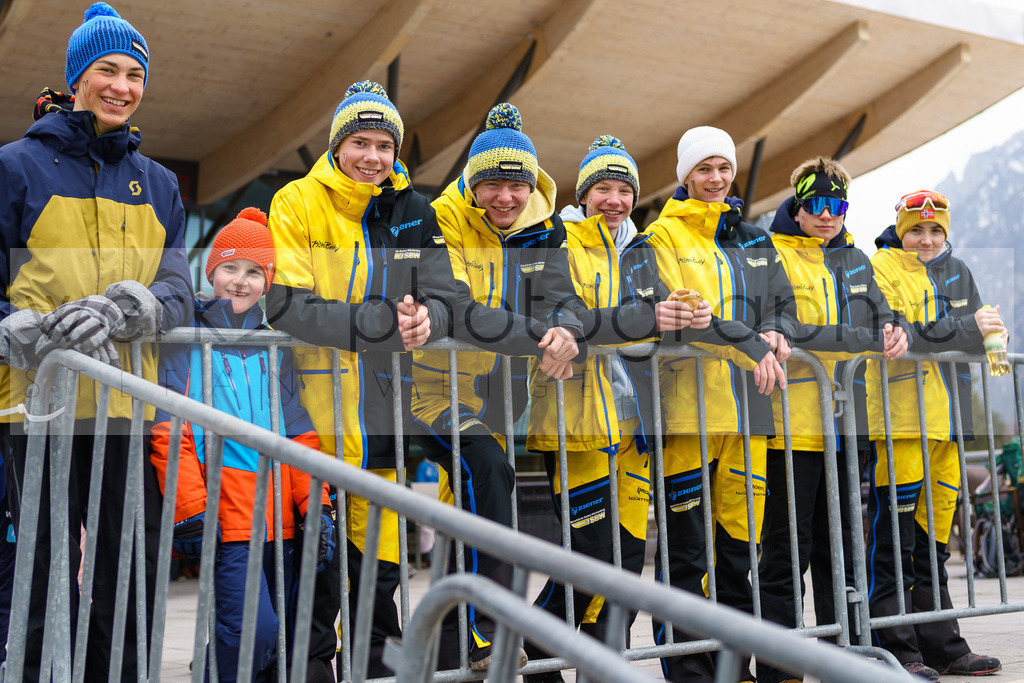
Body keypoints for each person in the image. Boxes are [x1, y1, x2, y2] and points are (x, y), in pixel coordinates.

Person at [0, 3, 192, 679]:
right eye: (108, 70)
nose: (122, 86)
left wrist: (133, 306)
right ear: (77, 77)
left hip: (124, 403)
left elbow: (179, 288)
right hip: (36, 405)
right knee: (41, 569)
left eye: (135, 75)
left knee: (129, 565)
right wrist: (9, 325)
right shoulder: (15, 166)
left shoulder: (160, 183)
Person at [267, 81, 457, 680]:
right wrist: (378, 322)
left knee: (379, 577)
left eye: (384, 145)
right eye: (360, 143)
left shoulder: (412, 210)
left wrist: (431, 318)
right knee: (317, 578)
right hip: (312, 419)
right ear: (336, 146)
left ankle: (376, 670)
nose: (373, 157)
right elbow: (286, 303)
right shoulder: (296, 201)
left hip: (384, 417)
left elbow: (449, 294)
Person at [522, 136, 712, 682]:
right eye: (602, 188)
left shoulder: (644, 251)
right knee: (590, 555)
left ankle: (599, 667)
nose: (614, 200)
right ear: (583, 194)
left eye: (624, 190)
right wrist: (641, 320)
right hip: (576, 422)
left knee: (626, 560)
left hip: (635, 427)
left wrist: (682, 318)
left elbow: (661, 327)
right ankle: (539, 647)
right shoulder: (556, 240)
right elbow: (564, 316)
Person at [411, 102, 585, 671]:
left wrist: (567, 330)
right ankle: (487, 631)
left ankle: (455, 649)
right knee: (486, 471)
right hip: (430, 391)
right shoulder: (439, 217)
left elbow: (563, 297)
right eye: (492, 185)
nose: (505, 198)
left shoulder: (544, 226)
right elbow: (458, 309)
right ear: (472, 182)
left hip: (500, 394)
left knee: (472, 506)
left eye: (517, 185)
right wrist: (539, 337)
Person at [149, 208, 333, 681]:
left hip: (280, 522)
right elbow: (170, 429)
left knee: (275, 637)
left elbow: (299, 436)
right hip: (226, 520)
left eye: (254, 271)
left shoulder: (274, 346)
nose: (240, 280)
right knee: (253, 631)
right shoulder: (185, 339)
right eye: (230, 267)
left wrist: (316, 507)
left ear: (267, 282)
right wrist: (190, 508)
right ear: (210, 273)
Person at [644, 125, 792, 682]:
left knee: (737, 553)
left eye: (724, 167)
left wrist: (776, 328)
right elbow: (687, 316)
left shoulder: (753, 240)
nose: (715, 178)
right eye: (703, 168)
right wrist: (751, 343)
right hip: (688, 413)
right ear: (685, 175)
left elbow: (783, 302)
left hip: (749, 415)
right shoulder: (661, 237)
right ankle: (689, 671)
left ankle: (735, 669)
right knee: (686, 554)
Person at [755, 157, 909, 683]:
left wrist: (896, 328)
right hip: (789, 429)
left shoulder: (856, 258)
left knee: (840, 551)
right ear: (798, 206)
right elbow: (789, 330)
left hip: (845, 429)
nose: (827, 215)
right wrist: (863, 340)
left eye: (837, 205)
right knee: (786, 552)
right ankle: (780, 667)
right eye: (817, 204)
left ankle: (845, 657)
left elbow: (883, 314)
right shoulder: (771, 252)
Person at [865, 190, 1003, 680]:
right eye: (916, 231)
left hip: (948, 425)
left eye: (936, 230)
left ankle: (943, 646)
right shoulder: (880, 267)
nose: (926, 240)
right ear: (900, 232)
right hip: (900, 422)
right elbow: (905, 336)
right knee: (894, 541)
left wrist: (991, 335)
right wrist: (968, 326)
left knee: (932, 544)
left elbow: (977, 332)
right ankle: (897, 649)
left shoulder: (958, 269)